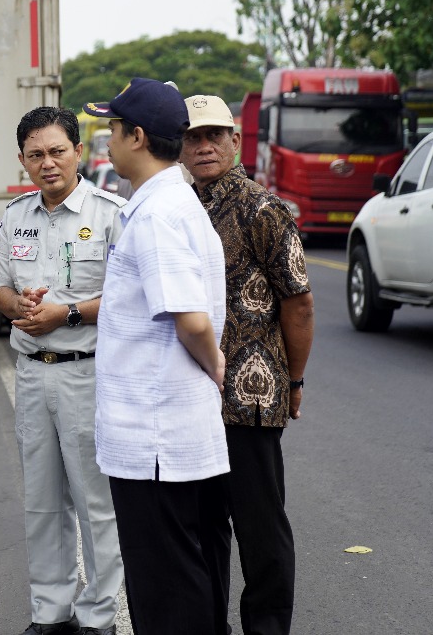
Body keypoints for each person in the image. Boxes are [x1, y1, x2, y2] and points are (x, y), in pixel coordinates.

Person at [82, 78, 229, 635]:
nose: (109, 142)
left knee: (166, 582)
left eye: (113, 130)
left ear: (137, 137)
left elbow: (189, 318)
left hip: (156, 438)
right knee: (187, 571)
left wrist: (214, 362)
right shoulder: (167, 202)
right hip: (163, 431)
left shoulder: (159, 214)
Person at [0, 107, 125, 635]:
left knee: (95, 500)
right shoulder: (16, 214)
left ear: (78, 152)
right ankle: (51, 612)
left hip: (86, 373)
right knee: (42, 501)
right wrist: (16, 307)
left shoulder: (112, 213)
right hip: (33, 373)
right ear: (21, 159)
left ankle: (98, 616)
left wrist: (66, 312)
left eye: (57, 151)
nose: (47, 163)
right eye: (35, 154)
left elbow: (130, 298)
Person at [179, 94, 312, 635]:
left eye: (215, 136)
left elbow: (298, 301)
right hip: (194, 397)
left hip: (251, 400)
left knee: (260, 529)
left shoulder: (264, 209)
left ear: (236, 142)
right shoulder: (183, 207)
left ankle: (267, 628)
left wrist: (294, 380)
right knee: (204, 525)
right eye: (193, 137)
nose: (205, 146)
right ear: (180, 146)